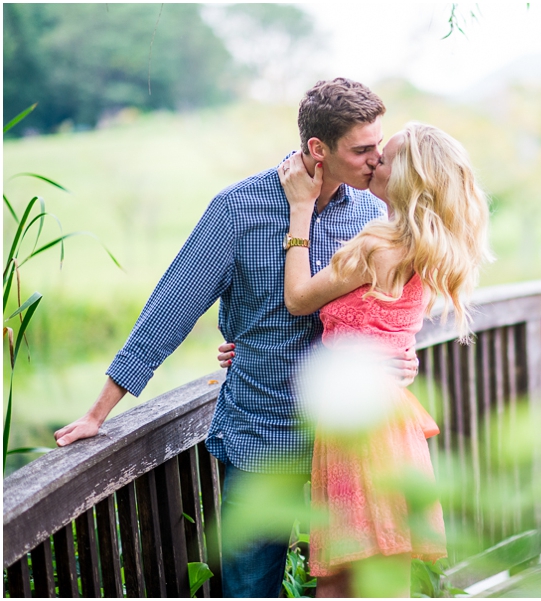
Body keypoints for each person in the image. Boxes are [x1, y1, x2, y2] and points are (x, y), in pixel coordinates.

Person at [53, 78, 418, 598]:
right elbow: (168, 313)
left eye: (378, 147)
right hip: (263, 436)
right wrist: (97, 414)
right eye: (362, 150)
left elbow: (388, 309)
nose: (375, 161)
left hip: (347, 444)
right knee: (250, 589)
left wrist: (403, 358)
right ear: (318, 149)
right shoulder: (238, 210)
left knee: (352, 589)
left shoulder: (371, 213)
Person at [273, 122, 492, 597]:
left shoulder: (378, 246)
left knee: (355, 576)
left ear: (408, 179)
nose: (374, 161)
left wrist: (300, 210)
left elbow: (297, 300)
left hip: (364, 428)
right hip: (381, 421)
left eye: (385, 158)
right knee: (364, 572)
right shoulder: (423, 246)